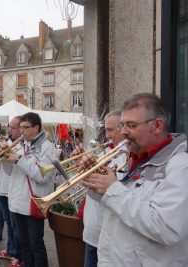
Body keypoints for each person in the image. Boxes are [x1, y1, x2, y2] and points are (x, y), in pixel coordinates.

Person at [81, 93, 188, 266]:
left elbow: (166, 228)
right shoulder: (135, 158)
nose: (123, 132)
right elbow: (120, 207)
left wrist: (112, 189)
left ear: (157, 126)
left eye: (131, 125)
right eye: (122, 125)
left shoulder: (180, 167)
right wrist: (94, 181)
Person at [4, 112, 57, 267]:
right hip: (16, 202)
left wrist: (19, 159)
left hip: (33, 203)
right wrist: (4, 160)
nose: (21, 131)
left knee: (36, 245)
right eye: (20, 127)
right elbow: (9, 173)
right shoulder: (19, 145)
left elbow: (42, 176)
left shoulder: (48, 147)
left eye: (25, 127)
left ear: (36, 127)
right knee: (23, 244)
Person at [75, 110, 125, 267]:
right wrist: (82, 164)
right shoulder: (105, 153)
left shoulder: (127, 158)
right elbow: (93, 191)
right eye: (106, 130)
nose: (107, 135)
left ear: (123, 128)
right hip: (93, 229)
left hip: (110, 233)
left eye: (110, 130)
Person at [0, 117, 23, 267]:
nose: (10, 130)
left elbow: (14, 166)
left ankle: (17, 254)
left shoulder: (22, 145)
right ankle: (11, 249)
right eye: (10, 127)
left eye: (14, 127)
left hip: (12, 190)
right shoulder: (9, 143)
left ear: (22, 128)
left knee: (14, 225)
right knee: (9, 223)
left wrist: (5, 147)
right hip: (2, 188)